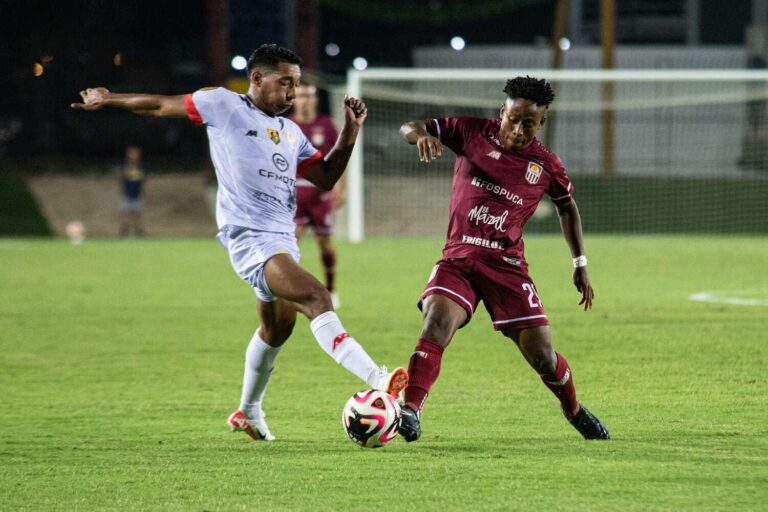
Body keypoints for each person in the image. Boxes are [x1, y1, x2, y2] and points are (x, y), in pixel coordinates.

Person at [71, 44, 407, 441]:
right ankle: (379, 378)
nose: (292, 93)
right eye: (285, 83)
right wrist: (110, 98)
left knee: (276, 330)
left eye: (296, 85)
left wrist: (350, 131)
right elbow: (160, 106)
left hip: (282, 240)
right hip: (249, 238)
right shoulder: (224, 105)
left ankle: (248, 411)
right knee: (317, 297)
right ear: (257, 78)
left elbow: (326, 177)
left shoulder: (290, 132)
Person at [397, 76, 609, 442]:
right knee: (436, 322)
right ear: (502, 112)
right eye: (513, 119)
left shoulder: (545, 166)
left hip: (506, 267)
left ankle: (573, 410)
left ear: (541, 123)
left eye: (529, 123)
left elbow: (567, 207)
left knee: (543, 357)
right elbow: (411, 127)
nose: (518, 129)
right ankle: (409, 409)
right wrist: (421, 136)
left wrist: (580, 263)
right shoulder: (469, 132)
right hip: (459, 258)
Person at [290, 84, 343, 308]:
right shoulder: (287, 125)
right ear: (293, 100)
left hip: (320, 195)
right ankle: (291, 292)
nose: (304, 100)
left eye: (308, 96)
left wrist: (341, 187)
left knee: (325, 243)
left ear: (315, 100)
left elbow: (340, 157)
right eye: (300, 96)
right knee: (290, 244)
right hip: (295, 194)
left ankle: (331, 290)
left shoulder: (327, 125)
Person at [119, 145, 146, 237]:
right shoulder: (126, 166)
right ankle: (124, 230)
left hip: (137, 194)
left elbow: (141, 177)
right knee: (125, 212)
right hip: (127, 193)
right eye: (132, 154)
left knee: (137, 213)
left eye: (135, 154)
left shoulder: (140, 166)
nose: (133, 156)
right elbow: (122, 176)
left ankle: (138, 231)